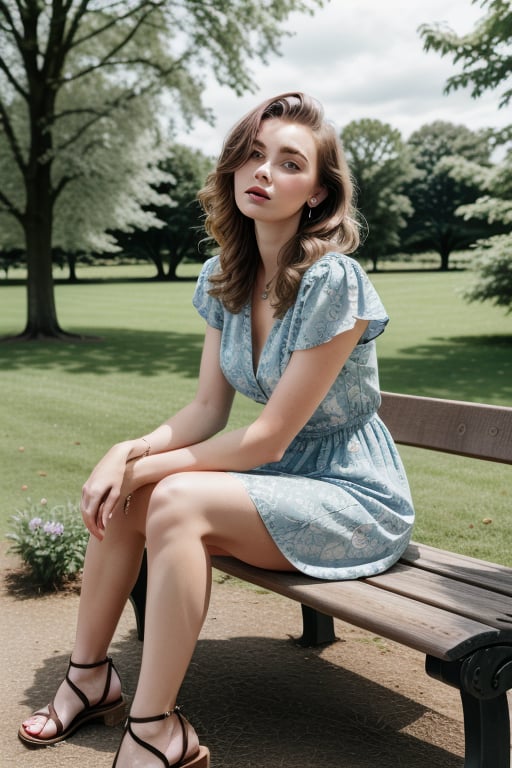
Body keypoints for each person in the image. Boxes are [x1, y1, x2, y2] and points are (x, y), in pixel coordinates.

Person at [18, 92, 414, 767]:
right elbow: (207, 409)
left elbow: (268, 440)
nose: (264, 171)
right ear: (233, 169)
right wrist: (128, 451)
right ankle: (90, 678)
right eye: (254, 155)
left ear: (317, 192)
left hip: (351, 497)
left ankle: (154, 729)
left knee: (166, 494)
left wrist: (144, 469)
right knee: (138, 494)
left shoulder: (333, 282)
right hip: (276, 486)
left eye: (290, 163)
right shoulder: (224, 276)